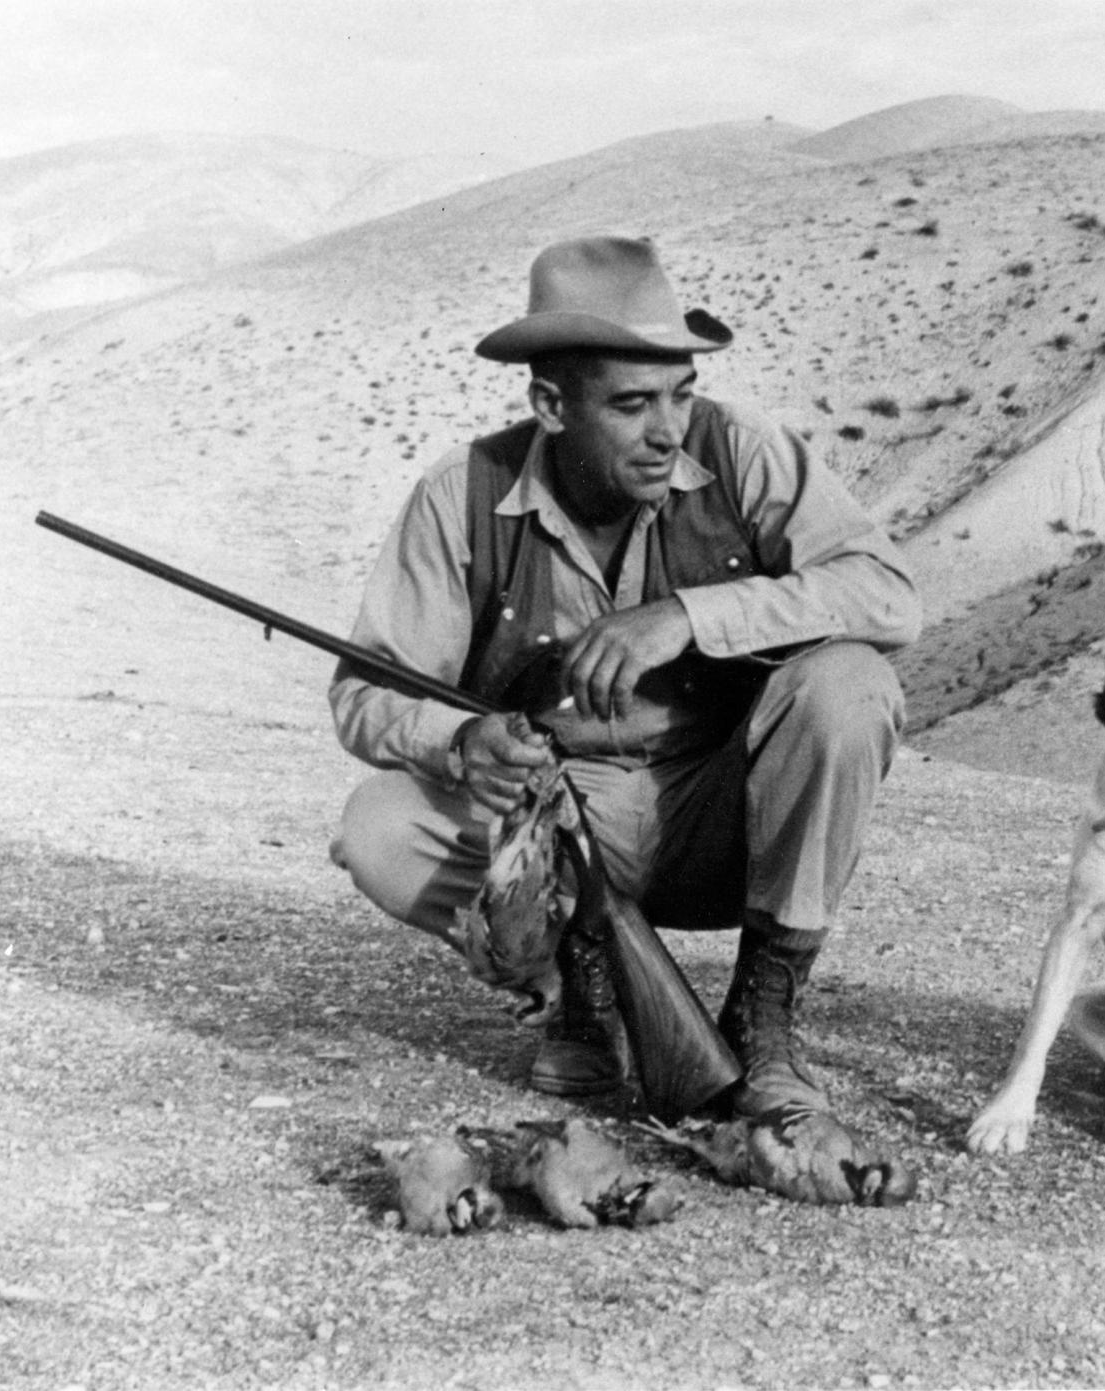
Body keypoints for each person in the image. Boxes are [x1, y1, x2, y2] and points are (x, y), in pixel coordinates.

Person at [328, 235, 921, 1119]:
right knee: (379, 824)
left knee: (851, 686)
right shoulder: (461, 493)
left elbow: (889, 596)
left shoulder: (743, 450)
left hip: (729, 818)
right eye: (633, 404)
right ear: (551, 405)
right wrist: (458, 741)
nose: (668, 432)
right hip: (563, 829)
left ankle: (764, 1017)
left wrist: (689, 617)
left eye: (682, 395)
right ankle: (581, 993)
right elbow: (364, 694)